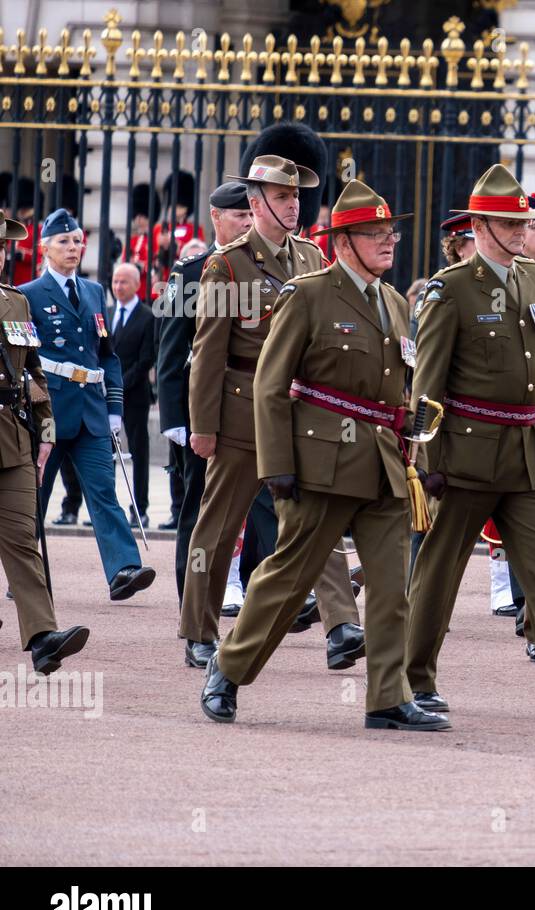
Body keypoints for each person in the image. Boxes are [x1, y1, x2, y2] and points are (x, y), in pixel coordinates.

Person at [200, 179, 445, 731]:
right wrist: (278, 467)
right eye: (372, 233)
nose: (387, 242)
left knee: (390, 589)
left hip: (384, 464)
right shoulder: (307, 295)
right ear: (342, 243)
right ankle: (228, 666)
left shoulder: (396, 303)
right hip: (322, 464)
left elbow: (397, 394)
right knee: (288, 579)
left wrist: (421, 460)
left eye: (390, 233)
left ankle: (387, 696)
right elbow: (269, 385)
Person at [404, 163, 535, 719]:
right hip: (467, 450)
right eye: (509, 221)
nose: (523, 229)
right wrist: (428, 457)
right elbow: (427, 384)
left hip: (525, 448)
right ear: (479, 228)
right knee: (441, 571)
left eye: (522, 220)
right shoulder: (449, 290)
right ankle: (413, 678)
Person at [179, 153, 362, 670]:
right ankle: (199, 628)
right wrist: (203, 427)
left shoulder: (309, 258)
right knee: (218, 527)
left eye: (297, 197)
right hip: (241, 409)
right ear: (256, 204)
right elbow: (208, 352)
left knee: (316, 519)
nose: (293, 205)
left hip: (299, 409)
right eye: (282, 197)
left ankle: (341, 625)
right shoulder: (228, 264)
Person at [21, 208, 155, 601]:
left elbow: (106, 354)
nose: (73, 248)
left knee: (103, 492)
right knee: (35, 497)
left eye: (78, 240)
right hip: (49, 411)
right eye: (64, 241)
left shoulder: (95, 292)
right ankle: (24, 573)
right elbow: (23, 358)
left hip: (92, 411)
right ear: (45, 247)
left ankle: (123, 569)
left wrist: (114, 407)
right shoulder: (29, 295)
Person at [0, 215, 91, 673]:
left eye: (2, 248)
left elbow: (32, 373)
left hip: (12, 436)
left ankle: (41, 637)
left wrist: (46, 430)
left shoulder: (15, 304)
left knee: (21, 536)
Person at [156, 181, 253, 598]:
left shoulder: (266, 266)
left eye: (252, 215)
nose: (249, 223)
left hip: (253, 408)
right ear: (217, 217)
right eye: (240, 216)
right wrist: (176, 419)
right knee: (197, 507)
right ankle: (191, 598)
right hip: (206, 411)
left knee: (265, 510)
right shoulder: (191, 271)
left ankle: (253, 586)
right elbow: (172, 348)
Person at [108, 262, 154, 527]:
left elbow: (146, 358)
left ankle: (140, 508)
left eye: (123, 282)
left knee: (138, 451)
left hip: (134, 395)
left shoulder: (147, 316)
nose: (118, 287)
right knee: (108, 453)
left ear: (137, 284)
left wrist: (121, 384)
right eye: (115, 281)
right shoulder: (109, 311)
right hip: (109, 397)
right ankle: (109, 508)